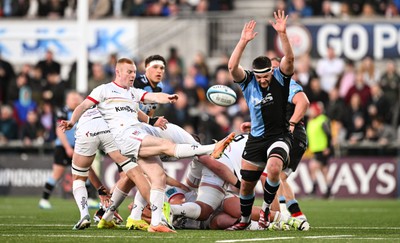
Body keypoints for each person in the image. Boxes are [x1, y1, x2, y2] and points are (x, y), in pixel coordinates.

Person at [59, 57, 234, 233]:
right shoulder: (105, 89)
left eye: (134, 72)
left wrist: (168, 98)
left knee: (157, 176)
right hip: (126, 137)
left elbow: (150, 99)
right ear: (118, 72)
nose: (133, 75)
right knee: (164, 148)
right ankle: (212, 148)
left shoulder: (133, 92)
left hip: (137, 133)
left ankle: (149, 221)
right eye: (129, 72)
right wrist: (72, 122)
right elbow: (83, 105)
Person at [225, 10, 295, 230]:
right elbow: (231, 67)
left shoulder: (281, 78)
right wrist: (243, 41)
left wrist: (283, 34)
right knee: (246, 186)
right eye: (259, 77)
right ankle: (245, 220)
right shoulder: (248, 82)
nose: (263, 80)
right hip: (256, 138)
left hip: (280, 136)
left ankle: (265, 209)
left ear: (271, 72)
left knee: (274, 167)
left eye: (266, 76)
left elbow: (290, 59)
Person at [39, 91, 83, 209]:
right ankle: (44, 199)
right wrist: (67, 147)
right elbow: (59, 130)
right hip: (63, 147)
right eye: (72, 98)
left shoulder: (81, 112)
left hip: (77, 146)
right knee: (57, 174)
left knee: (84, 172)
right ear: (67, 100)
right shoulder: (62, 111)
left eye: (76, 98)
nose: (75, 100)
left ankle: (88, 198)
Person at [307, 102, 332, 198]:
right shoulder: (311, 121)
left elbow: (329, 135)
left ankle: (314, 189)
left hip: (322, 149)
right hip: (316, 149)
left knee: (312, 166)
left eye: (312, 110)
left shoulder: (322, 120)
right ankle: (328, 190)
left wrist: (328, 147)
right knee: (324, 170)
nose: (310, 112)